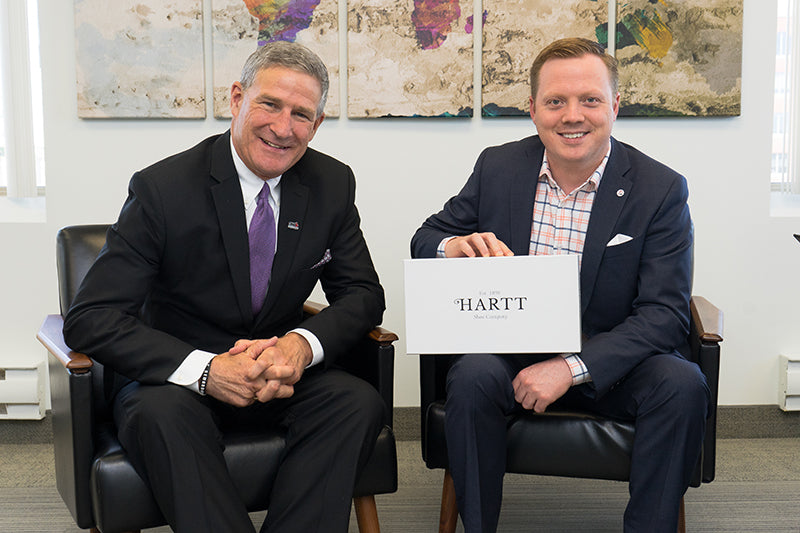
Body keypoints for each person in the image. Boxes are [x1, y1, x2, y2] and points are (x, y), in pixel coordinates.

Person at [63, 41, 386, 533]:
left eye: (301, 114)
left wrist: (301, 346)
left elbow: (363, 293)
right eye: (270, 104)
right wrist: (208, 370)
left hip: (277, 372)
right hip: (177, 379)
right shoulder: (163, 189)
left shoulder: (332, 183)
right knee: (159, 416)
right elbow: (91, 318)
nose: (283, 128)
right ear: (237, 99)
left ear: (317, 124)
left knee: (355, 403)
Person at [410, 37, 710, 533]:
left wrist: (569, 369)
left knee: (682, 385)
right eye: (555, 101)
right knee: (471, 376)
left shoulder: (660, 188)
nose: (573, 116)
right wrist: (454, 246)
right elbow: (426, 238)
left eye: (590, 100)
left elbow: (664, 315)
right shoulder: (498, 166)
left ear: (614, 106)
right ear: (533, 109)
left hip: (613, 362)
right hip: (511, 353)